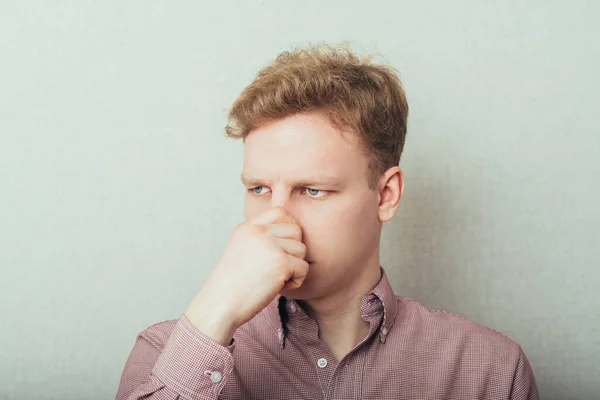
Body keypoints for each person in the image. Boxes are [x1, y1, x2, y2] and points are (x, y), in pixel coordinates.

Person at [115, 43, 539, 400]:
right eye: (259, 189)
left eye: (313, 190)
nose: (276, 220)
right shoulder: (165, 355)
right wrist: (215, 309)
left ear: (385, 195)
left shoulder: (490, 370)